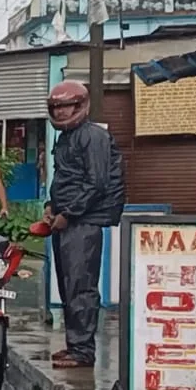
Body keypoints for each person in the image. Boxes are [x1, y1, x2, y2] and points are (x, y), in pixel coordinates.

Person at [44, 80, 125, 369]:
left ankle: (82, 351)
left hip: (83, 223)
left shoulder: (93, 137)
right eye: (57, 107)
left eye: (66, 107)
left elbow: (97, 184)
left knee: (81, 287)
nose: (62, 112)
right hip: (65, 221)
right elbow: (65, 179)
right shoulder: (66, 138)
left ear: (80, 106)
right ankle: (74, 345)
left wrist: (69, 213)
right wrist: (51, 208)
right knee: (68, 287)